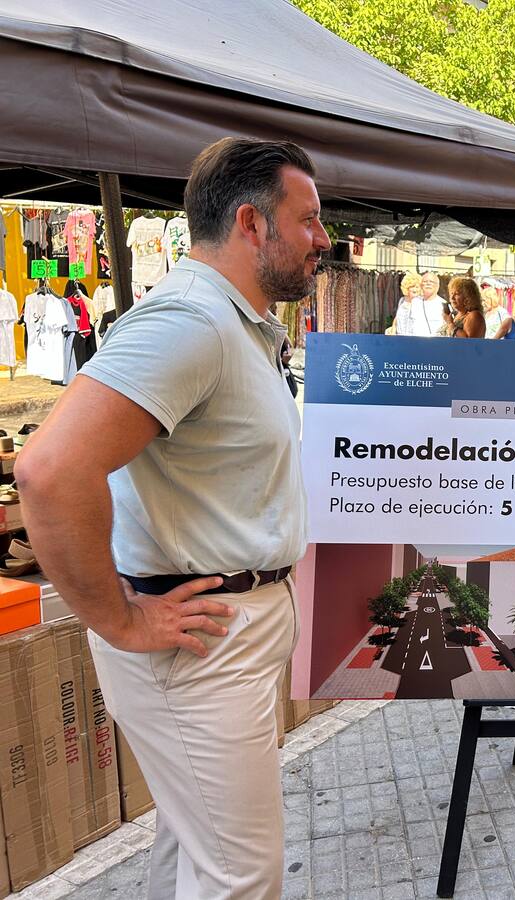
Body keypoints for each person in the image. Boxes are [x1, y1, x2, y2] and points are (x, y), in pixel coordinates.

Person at [16, 138, 329, 899]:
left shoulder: (233, 324)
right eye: (310, 219)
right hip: (198, 645)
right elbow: (49, 471)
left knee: (197, 854)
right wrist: (119, 619)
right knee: (239, 876)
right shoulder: (191, 321)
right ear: (253, 225)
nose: (324, 239)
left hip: (222, 636)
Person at [411, 271, 446, 337]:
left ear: (437, 286)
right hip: (415, 343)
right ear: (421, 285)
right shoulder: (414, 302)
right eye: (425, 281)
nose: (428, 283)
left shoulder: (443, 304)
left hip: (436, 344)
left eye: (431, 282)